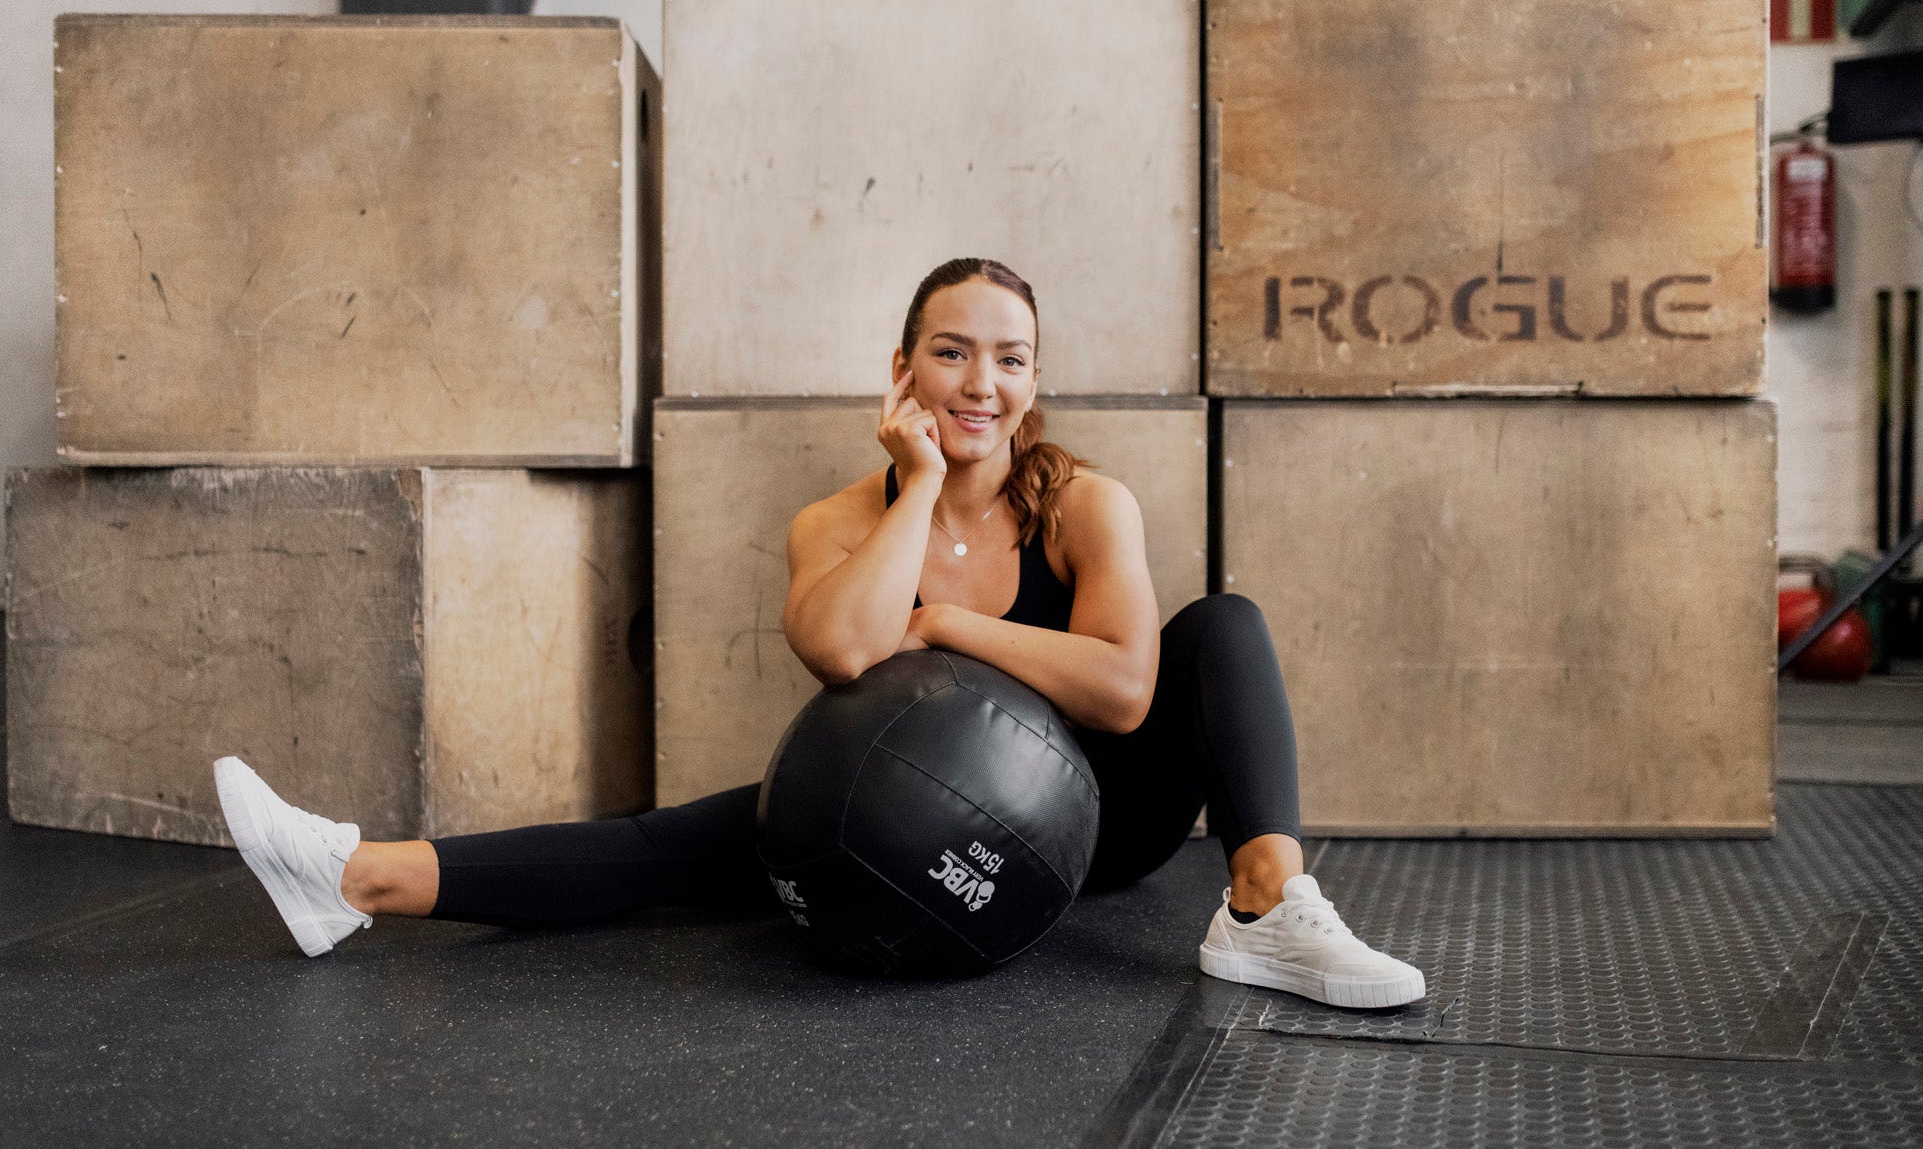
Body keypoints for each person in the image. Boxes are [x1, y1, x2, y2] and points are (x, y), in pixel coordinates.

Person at [213, 258, 1427, 1009]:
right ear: (902, 370)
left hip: (1100, 818)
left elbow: (1119, 690)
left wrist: (943, 623)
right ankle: (351, 876)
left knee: (1223, 624)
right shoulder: (837, 520)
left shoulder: (1083, 504)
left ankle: (1265, 906)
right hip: (898, 818)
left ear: (1033, 384)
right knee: (668, 844)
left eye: (1009, 360)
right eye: (951, 353)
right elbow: (843, 652)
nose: (980, 383)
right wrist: (917, 486)